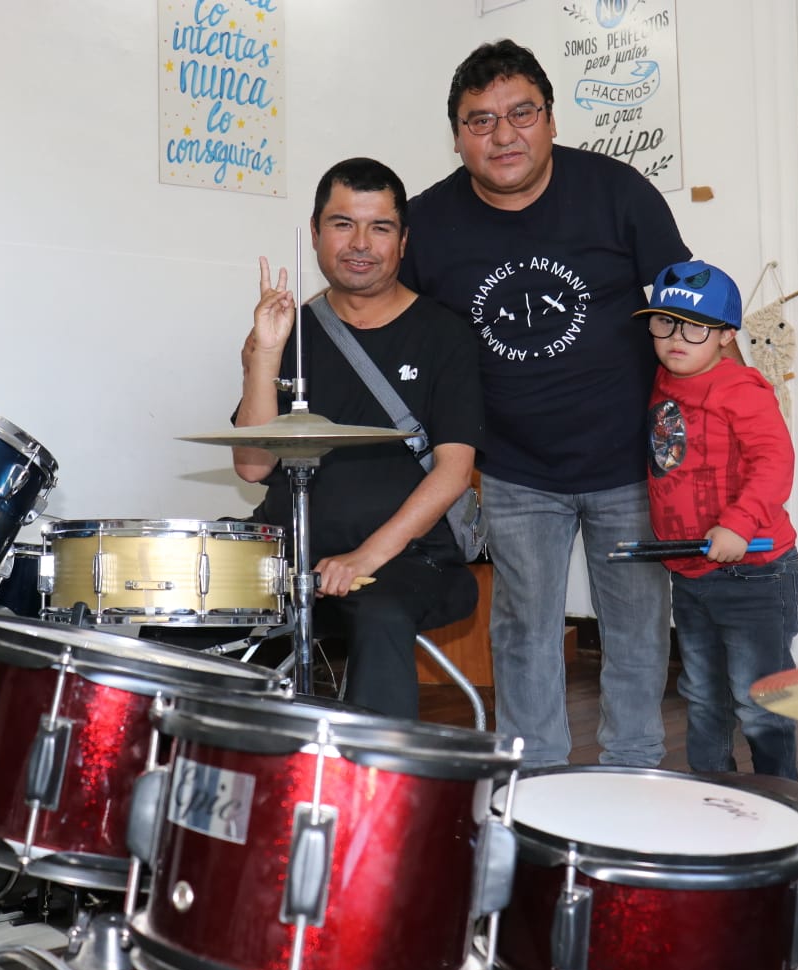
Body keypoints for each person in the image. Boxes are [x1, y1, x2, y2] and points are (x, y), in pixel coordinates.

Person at [398, 38, 692, 768]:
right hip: (514, 467)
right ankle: (533, 781)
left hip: (630, 460)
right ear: (457, 136)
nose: (503, 135)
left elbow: (691, 308)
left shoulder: (618, 192)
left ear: (551, 120)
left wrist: (729, 428)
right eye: (480, 120)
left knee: (637, 628)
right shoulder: (426, 224)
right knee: (523, 631)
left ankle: (633, 771)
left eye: (521, 113)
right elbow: (392, 321)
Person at [232, 157, 483, 719]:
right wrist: (265, 355)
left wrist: (362, 557)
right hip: (288, 556)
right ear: (316, 232)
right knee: (184, 594)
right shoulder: (289, 330)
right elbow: (252, 466)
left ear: (403, 240)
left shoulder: (445, 335)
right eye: (343, 224)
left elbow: (453, 472)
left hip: (407, 561)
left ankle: (373, 771)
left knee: (380, 612)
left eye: (380, 227)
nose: (360, 243)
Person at [638, 259, 798, 779]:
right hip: (690, 573)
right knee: (703, 696)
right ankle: (709, 795)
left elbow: (775, 462)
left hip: (754, 574)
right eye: (665, 322)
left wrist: (739, 524)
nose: (676, 338)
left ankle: (782, 802)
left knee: (760, 700)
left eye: (695, 327)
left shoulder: (740, 389)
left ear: (727, 335)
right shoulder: (660, 381)